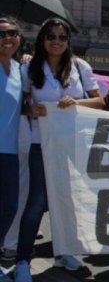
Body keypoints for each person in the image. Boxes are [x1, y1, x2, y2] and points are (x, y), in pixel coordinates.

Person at [16, 18, 105, 282]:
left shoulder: (80, 66)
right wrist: (29, 109)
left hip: (72, 143)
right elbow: (20, 104)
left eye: (62, 37)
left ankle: (63, 252)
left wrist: (77, 102)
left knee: (67, 201)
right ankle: (22, 259)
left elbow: (100, 101)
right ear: (42, 39)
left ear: (68, 41)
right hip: (38, 142)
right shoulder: (29, 68)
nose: (57, 41)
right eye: (51, 36)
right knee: (37, 201)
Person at [0, 18, 23, 282]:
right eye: (2, 33)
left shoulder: (20, 68)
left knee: (9, 207)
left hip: (9, 150)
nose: (8, 37)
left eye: (13, 33)